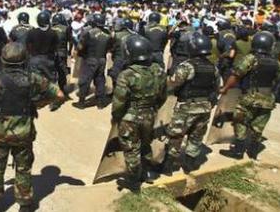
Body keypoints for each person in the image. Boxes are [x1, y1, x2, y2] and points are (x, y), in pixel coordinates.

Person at [0, 42, 66, 212]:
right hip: (24, 132)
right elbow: (59, 94)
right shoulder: (33, 78)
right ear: (24, 59)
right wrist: (39, 104)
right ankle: (25, 204)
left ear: (3, 59)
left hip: (0, 132)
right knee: (23, 168)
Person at [111, 35, 166, 191]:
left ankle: (134, 180)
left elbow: (119, 102)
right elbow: (163, 96)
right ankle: (148, 172)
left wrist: (116, 117)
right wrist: (151, 108)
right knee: (146, 143)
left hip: (130, 117)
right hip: (150, 114)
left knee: (131, 148)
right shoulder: (159, 70)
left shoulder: (126, 75)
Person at [161, 33, 219, 175]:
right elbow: (216, 88)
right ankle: (190, 165)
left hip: (186, 107)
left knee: (176, 136)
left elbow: (173, 84)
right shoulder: (213, 68)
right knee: (196, 136)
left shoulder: (187, 66)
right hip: (205, 108)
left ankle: (168, 167)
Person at [219, 32, 280, 160]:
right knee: (258, 126)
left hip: (250, 97)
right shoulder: (275, 62)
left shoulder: (251, 58)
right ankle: (253, 151)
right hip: (268, 98)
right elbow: (276, 79)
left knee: (240, 121)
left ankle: (238, 151)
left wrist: (225, 88)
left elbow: (236, 75)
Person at [74, 13, 112, 109]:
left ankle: (81, 102)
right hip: (102, 60)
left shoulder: (88, 32)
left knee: (85, 80)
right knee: (100, 80)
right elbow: (109, 47)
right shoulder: (108, 33)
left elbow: (80, 47)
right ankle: (100, 103)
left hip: (90, 59)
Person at [51, 13, 72, 93]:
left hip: (52, 53)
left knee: (52, 70)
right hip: (62, 53)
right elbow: (70, 41)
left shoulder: (50, 28)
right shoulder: (66, 28)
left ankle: (53, 89)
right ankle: (62, 88)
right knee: (62, 71)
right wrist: (69, 51)